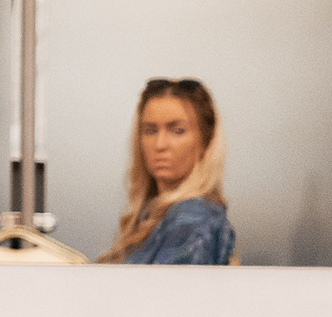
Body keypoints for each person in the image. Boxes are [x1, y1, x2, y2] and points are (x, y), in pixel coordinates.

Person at [99, 77, 237, 265]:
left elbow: (167, 293)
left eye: (177, 131)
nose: (160, 144)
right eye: (150, 131)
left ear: (205, 140)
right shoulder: (155, 215)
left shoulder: (193, 218)